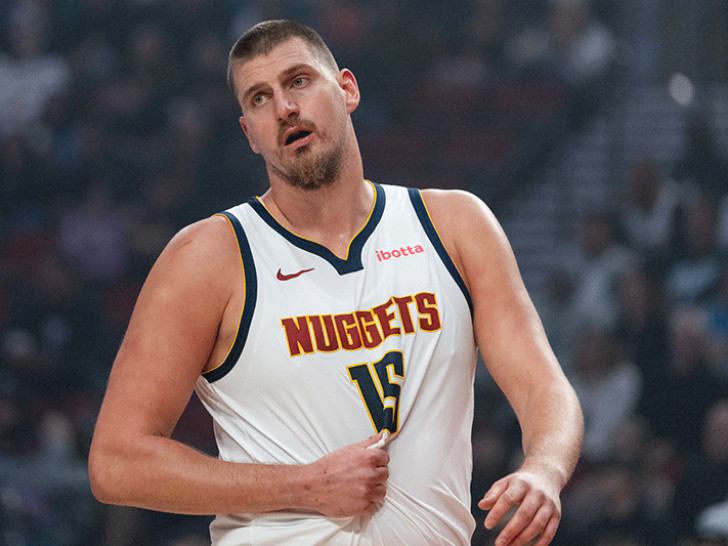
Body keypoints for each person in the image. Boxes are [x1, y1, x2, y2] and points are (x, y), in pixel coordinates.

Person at [88, 19, 583, 546]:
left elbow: (543, 385)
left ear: (347, 89)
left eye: (299, 81)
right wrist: (303, 486)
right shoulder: (208, 256)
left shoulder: (454, 225)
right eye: (260, 98)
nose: (284, 108)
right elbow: (117, 461)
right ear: (249, 133)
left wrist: (545, 470)